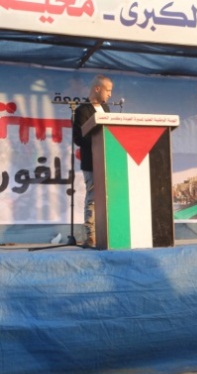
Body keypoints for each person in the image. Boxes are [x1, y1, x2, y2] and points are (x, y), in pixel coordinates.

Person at [72, 74, 113, 248]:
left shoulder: (106, 108)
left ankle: (107, 234)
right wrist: (99, 141)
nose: (110, 94)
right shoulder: (83, 110)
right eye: (108, 90)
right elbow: (79, 138)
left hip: (108, 160)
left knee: (107, 198)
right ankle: (91, 236)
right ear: (97, 88)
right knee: (93, 198)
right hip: (92, 161)